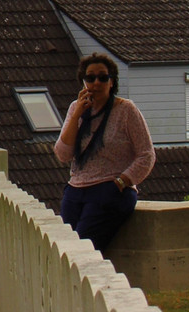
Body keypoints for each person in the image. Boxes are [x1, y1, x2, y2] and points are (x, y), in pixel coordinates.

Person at [54, 53, 155, 251]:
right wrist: (76, 117)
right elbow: (63, 154)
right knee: (65, 249)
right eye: (90, 78)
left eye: (103, 77)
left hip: (109, 190)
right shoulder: (76, 108)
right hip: (75, 190)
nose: (96, 83)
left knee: (83, 248)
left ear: (112, 82)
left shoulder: (126, 110)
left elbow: (146, 154)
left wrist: (121, 181)